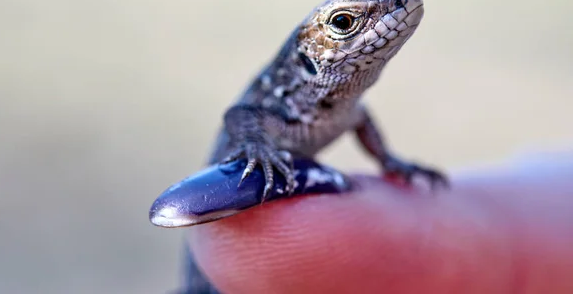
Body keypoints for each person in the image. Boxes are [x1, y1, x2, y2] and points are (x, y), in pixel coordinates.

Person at [187, 150, 573, 293]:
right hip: (215, 241)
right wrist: (255, 148)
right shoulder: (279, 99)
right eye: (345, 24)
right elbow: (241, 116)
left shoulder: (343, 99)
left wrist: (387, 160)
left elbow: (358, 117)